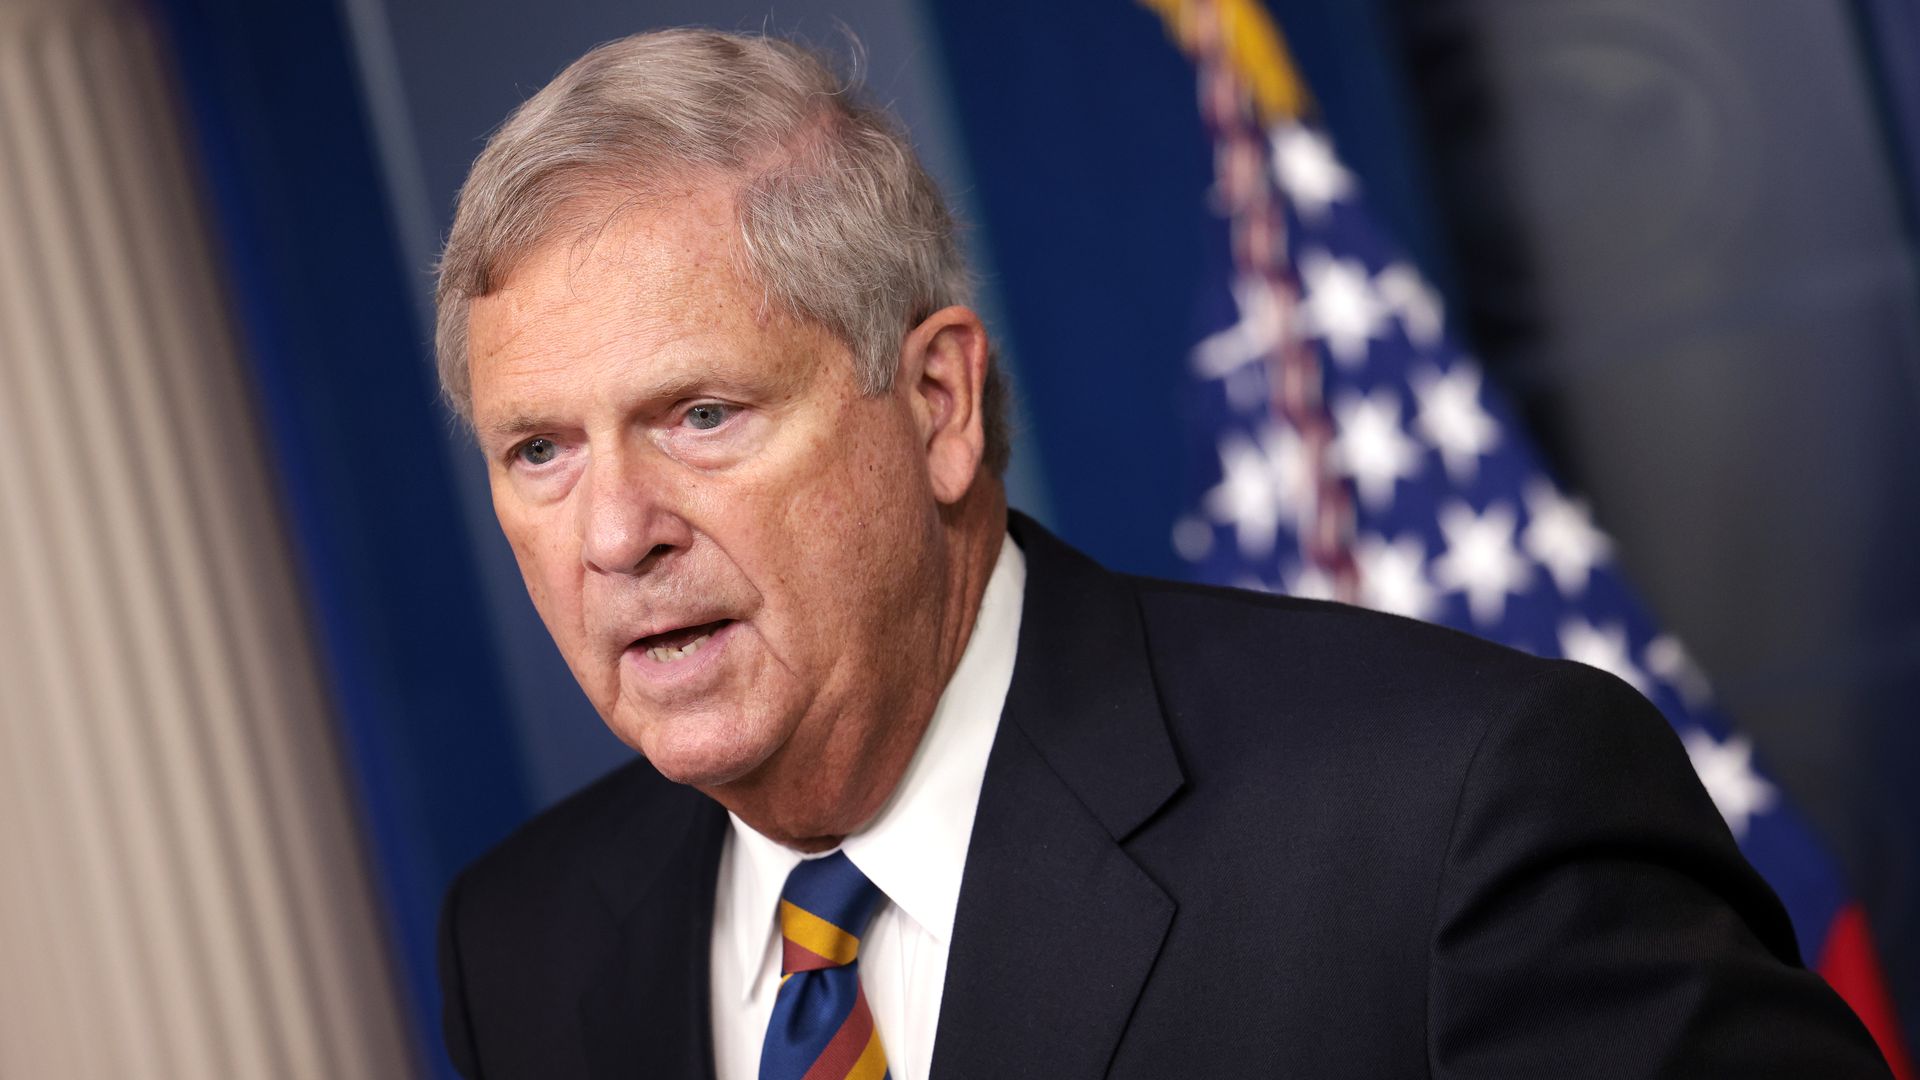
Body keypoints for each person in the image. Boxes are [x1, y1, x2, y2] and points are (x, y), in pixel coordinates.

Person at [431, 28, 1891, 1080]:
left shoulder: (1446, 818)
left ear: (937, 404)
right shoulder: (529, 943)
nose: (615, 534)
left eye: (699, 414)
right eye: (539, 451)